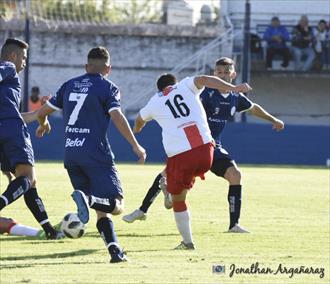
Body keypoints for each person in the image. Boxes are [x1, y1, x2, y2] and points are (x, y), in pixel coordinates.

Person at [123, 57, 284, 235]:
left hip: (214, 147)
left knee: (235, 175)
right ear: (214, 73)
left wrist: (273, 119)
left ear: (233, 74)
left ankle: (234, 225)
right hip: (195, 144)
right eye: (219, 72)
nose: (222, 76)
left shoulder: (235, 98)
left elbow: (253, 108)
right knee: (167, 173)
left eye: (226, 72)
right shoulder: (205, 93)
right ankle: (143, 209)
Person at [36, 46, 146, 263]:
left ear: (87, 66)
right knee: (117, 205)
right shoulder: (108, 87)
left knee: (100, 211)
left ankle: (115, 251)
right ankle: (88, 199)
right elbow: (117, 116)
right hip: (96, 154)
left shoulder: (69, 85)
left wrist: (44, 124)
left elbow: (42, 112)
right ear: (109, 68)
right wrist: (135, 145)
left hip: (71, 155)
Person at [130, 72, 252, 250]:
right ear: (175, 83)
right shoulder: (186, 85)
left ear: (159, 89)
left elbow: (140, 120)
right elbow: (204, 79)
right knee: (181, 177)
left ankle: (187, 240)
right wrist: (233, 88)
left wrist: (137, 128)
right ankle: (168, 193)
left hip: (180, 155)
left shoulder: (154, 101)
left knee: (178, 199)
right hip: (206, 151)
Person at [0, 38, 63, 240]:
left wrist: (40, 116)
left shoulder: (7, 88)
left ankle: (50, 231)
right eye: (24, 58)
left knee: (28, 183)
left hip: (7, 126)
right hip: (11, 131)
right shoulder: (7, 67)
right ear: (13, 56)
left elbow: (15, 116)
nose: (24, 63)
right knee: (28, 179)